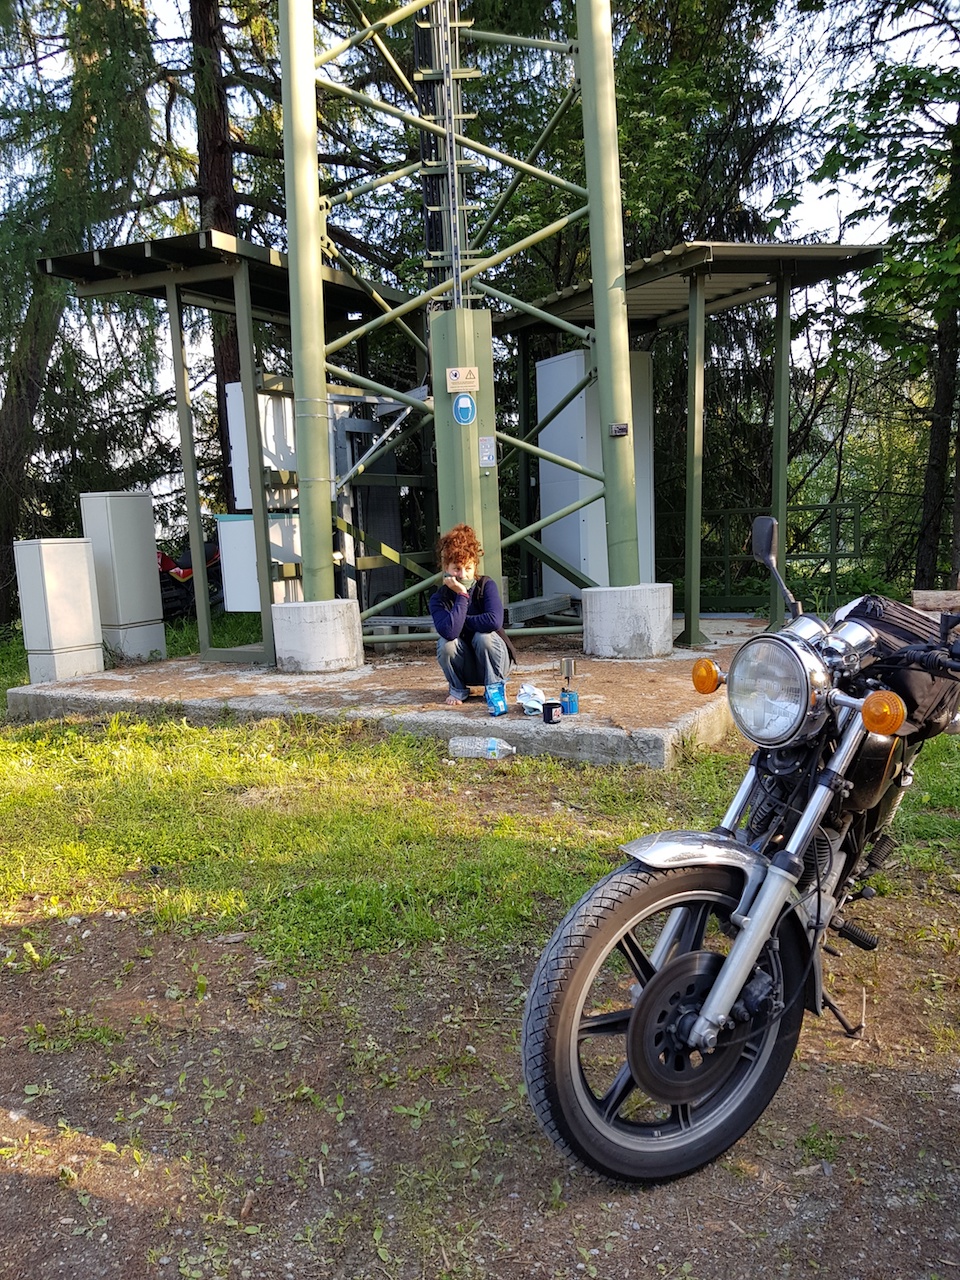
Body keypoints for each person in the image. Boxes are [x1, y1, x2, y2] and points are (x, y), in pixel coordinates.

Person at [428, 523, 516, 712]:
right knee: (446, 644)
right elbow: (449, 632)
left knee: (483, 637)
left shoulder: (486, 585)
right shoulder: (439, 598)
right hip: (466, 664)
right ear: (446, 568)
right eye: (457, 568)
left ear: (475, 566)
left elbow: (494, 621)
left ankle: (495, 687)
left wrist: (462, 621)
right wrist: (462, 595)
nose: (463, 575)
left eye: (468, 568)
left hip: (495, 659)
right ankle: (458, 689)